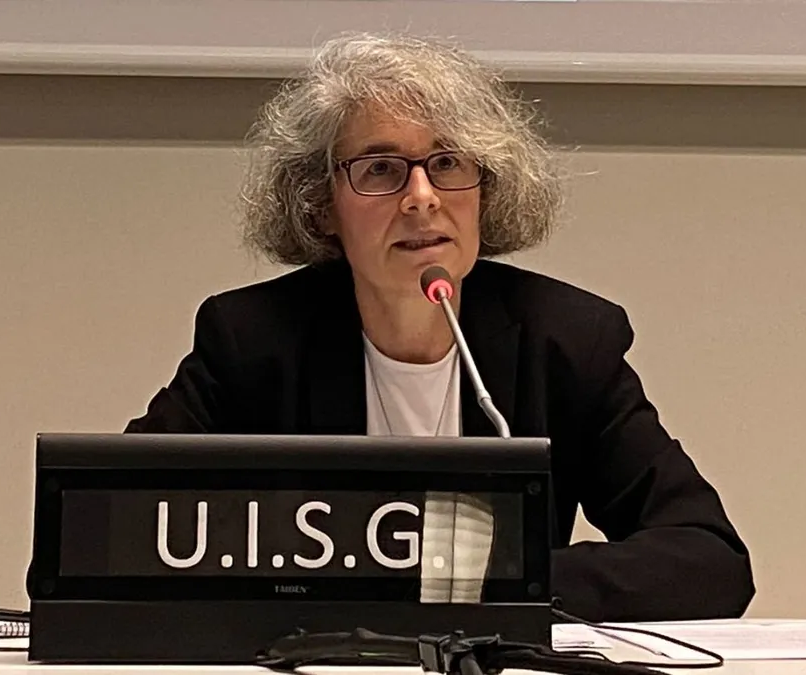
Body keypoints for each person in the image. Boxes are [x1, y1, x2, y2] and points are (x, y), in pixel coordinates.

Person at [126, 32, 754, 622]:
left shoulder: (563, 341)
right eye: (380, 169)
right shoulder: (254, 342)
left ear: (486, 191)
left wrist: (497, 583)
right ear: (321, 207)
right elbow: (111, 525)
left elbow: (710, 559)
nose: (422, 197)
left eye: (448, 163)